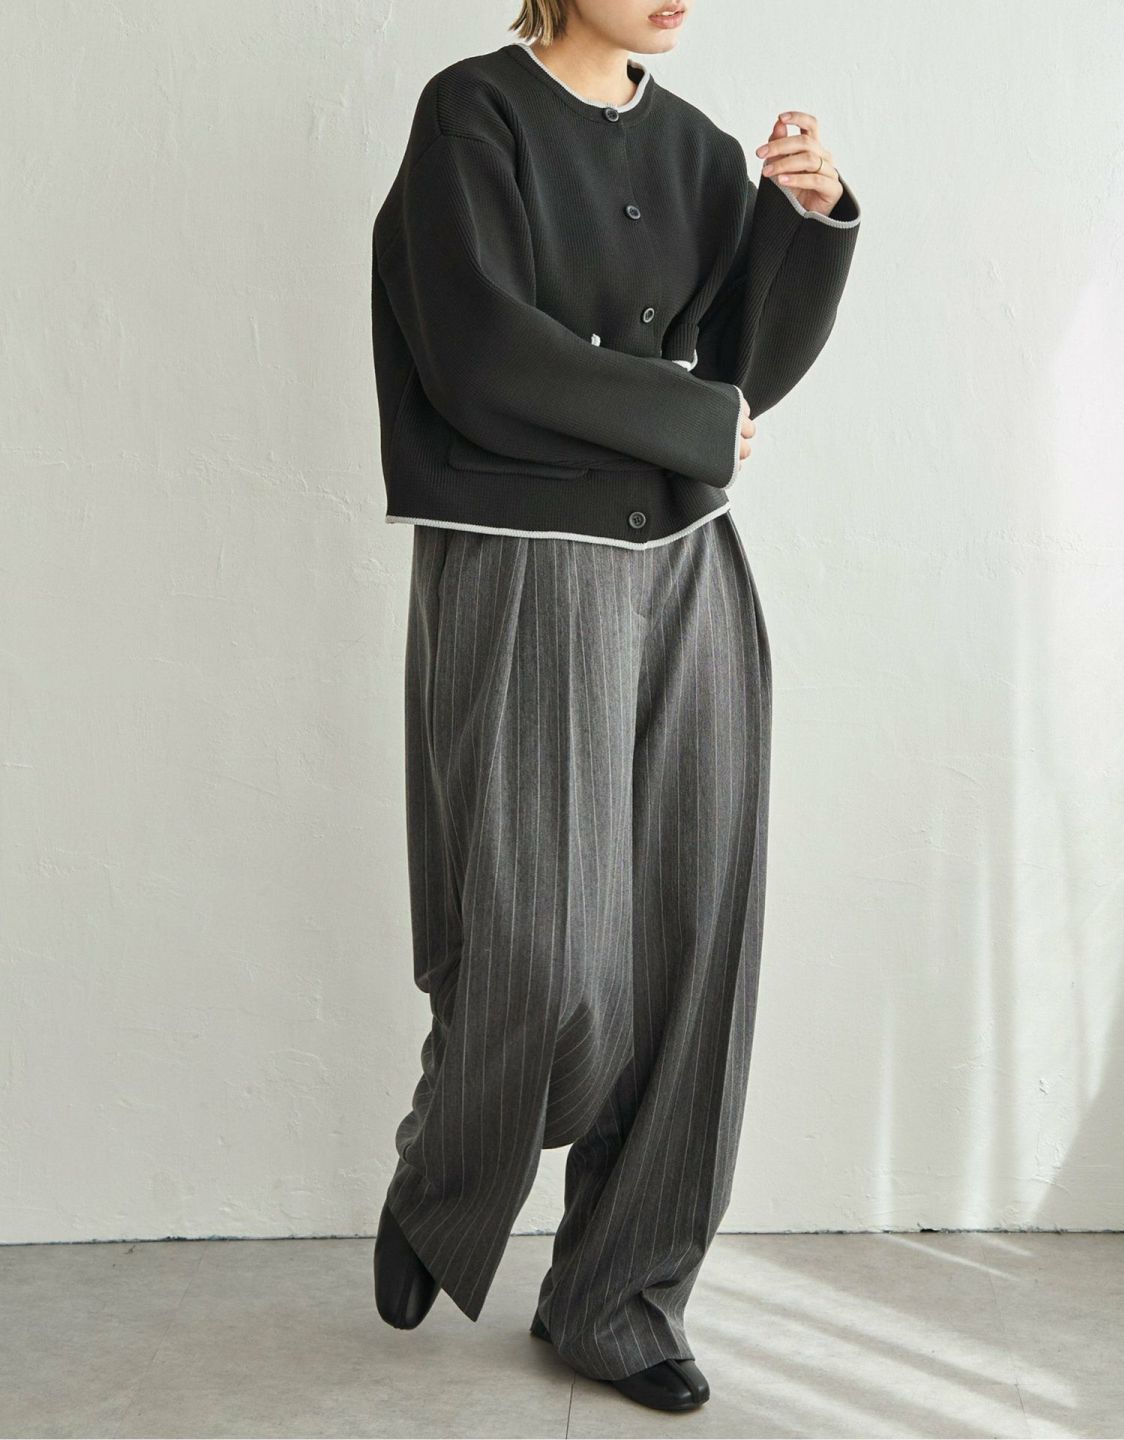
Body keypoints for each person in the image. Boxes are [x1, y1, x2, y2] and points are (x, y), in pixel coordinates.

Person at [369, 0, 861, 1413]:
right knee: (548, 963)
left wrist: (802, 223)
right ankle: (450, 1171)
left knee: (695, 948)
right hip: (529, 565)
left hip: (688, 568)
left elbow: (741, 375)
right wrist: (688, 418)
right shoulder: (474, 113)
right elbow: (477, 356)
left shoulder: (699, 149)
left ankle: (619, 1298)